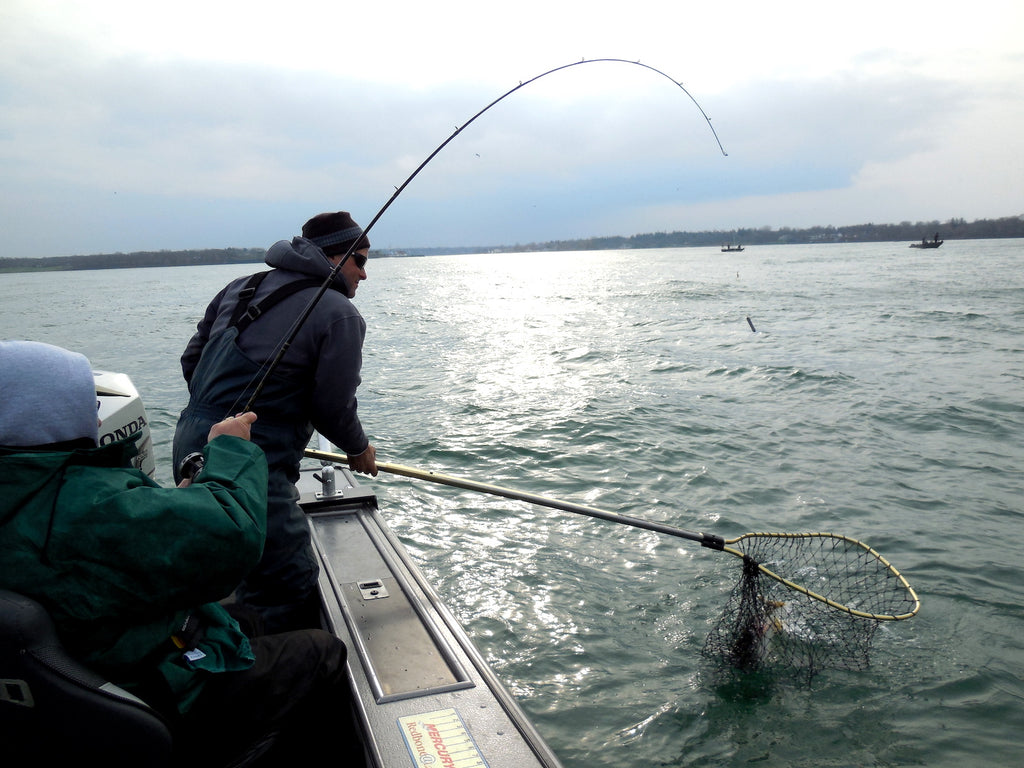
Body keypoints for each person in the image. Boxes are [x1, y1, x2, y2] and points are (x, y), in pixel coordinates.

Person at [0, 340, 358, 766]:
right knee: (322, 652)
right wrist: (231, 450)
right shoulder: (84, 501)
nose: (96, 415)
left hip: (76, 675)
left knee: (249, 620)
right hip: (148, 691)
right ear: (46, 413)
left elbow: (111, 546)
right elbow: (233, 538)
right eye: (85, 401)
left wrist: (183, 497)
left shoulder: (25, 490)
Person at [173, 211, 378, 634]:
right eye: (360, 260)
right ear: (336, 258)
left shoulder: (240, 288)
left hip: (190, 442)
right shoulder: (340, 313)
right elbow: (332, 408)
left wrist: (219, 413)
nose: (363, 274)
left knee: (214, 559)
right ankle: (258, 676)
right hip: (252, 462)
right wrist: (358, 449)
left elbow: (192, 360)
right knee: (284, 578)